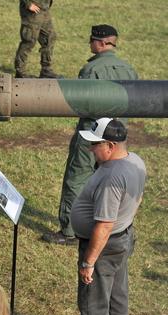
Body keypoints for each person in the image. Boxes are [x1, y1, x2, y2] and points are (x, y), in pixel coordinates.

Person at [62, 118, 145, 315]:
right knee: (118, 295)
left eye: (94, 145)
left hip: (104, 245)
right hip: (122, 238)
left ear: (110, 145)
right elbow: (138, 199)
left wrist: (89, 261)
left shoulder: (111, 177)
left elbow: (103, 225)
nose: (90, 150)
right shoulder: (135, 161)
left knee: (94, 301)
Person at [43, 24, 138, 245]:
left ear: (101, 43)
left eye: (92, 40)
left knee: (77, 179)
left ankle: (69, 231)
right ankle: (113, 227)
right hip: (117, 136)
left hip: (91, 135)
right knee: (113, 182)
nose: (90, 44)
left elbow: (80, 104)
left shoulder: (90, 70)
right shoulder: (128, 69)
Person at [14, 0, 59, 78]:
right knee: (29, 40)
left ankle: (46, 70)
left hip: (44, 9)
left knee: (49, 37)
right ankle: (20, 71)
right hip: (32, 11)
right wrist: (28, 4)